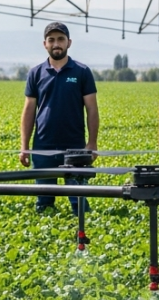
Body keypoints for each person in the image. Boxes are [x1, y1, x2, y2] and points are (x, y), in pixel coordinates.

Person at [19, 22, 99, 215]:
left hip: (75, 146)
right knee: (44, 202)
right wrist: (24, 146)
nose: (56, 44)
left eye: (61, 39)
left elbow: (92, 109)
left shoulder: (81, 72)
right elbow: (29, 111)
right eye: (51, 40)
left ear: (69, 42)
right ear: (45, 44)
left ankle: (84, 229)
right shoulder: (36, 73)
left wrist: (92, 143)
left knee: (79, 202)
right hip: (42, 146)